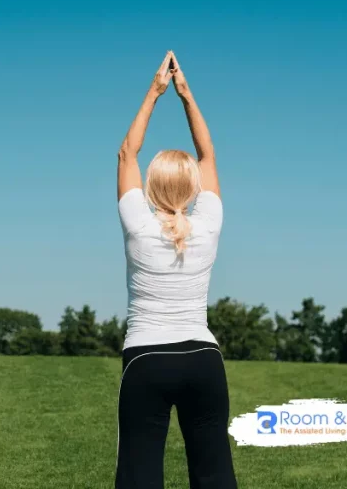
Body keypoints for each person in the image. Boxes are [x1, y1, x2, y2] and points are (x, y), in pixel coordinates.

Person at [114, 50, 237, 488]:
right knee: (214, 473)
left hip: (147, 360)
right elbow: (209, 157)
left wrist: (155, 91)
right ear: (195, 188)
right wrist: (186, 95)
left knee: (139, 473)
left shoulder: (139, 225)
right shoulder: (208, 224)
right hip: (203, 360)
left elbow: (127, 152)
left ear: (151, 185)